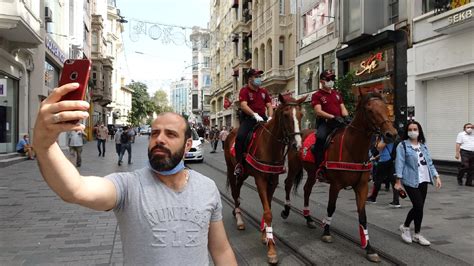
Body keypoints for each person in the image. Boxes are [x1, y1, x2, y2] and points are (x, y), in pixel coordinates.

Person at [32, 83, 237, 265]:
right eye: (155, 133)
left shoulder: (207, 187)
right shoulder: (128, 186)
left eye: (171, 134)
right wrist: (45, 144)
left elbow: (221, 250)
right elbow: (75, 189)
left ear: (188, 145)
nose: (160, 139)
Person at [394, 120, 442, 246]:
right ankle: (405, 227)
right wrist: (398, 181)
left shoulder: (423, 145)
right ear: (406, 131)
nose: (413, 132)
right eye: (410, 129)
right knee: (418, 206)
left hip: (424, 179)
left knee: (418, 208)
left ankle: (417, 234)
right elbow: (399, 163)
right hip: (410, 180)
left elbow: (429, 163)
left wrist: (436, 176)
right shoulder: (402, 145)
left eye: (415, 129)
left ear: (419, 131)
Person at [234, 68, 273, 176]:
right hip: (249, 119)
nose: (259, 79)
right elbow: (243, 105)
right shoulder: (244, 91)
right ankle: (239, 164)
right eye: (256, 77)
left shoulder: (264, 91)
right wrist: (254, 114)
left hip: (263, 118)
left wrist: (270, 117)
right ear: (250, 79)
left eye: (259, 77)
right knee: (240, 137)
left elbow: (269, 105)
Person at [311, 70, 349, 171]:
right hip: (326, 123)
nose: (331, 81)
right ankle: (319, 165)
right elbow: (318, 111)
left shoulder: (337, 94)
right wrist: (332, 117)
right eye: (328, 79)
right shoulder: (317, 95)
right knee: (320, 137)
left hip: (340, 122)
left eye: (332, 79)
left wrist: (346, 116)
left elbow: (343, 108)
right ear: (321, 81)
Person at [367, 137, 400, 207]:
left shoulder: (385, 138)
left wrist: (378, 142)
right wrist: (376, 157)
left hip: (384, 161)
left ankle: (373, 198)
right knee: (393, 180)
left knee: (377, 180)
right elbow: (384, 151)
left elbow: (379, 147)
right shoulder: (391, 138)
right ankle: (396, 201)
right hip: (390, 160)